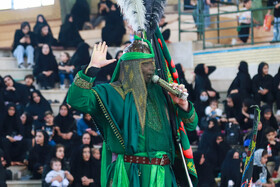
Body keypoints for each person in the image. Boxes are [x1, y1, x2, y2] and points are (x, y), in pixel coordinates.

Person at [67, 39, 198, 186]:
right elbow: (76, 99)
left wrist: (183, 104)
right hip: (129, 175)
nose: (150, 68)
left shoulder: (163, 92)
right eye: (145, 64)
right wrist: (92, 68)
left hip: (164, 174)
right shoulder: (111, 92)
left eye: (151, 63)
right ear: (130, 66)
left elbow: (191, 125)